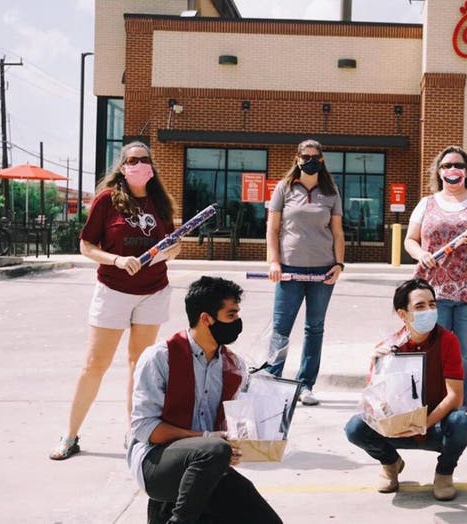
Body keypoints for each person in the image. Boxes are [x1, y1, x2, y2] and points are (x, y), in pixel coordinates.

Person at [51, 141, 179, 460]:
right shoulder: (107, 200)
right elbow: (86, 246)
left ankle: (134, 435)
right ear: (122, 167)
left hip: (153, 291)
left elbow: (173, 245)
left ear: (152, 167)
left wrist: (166, 253)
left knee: (139, 365)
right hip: (113, 291)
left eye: (144, 159)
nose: (139, 164)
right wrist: (116, 260)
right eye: (132, 160)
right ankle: (70, 435)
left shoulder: (160, 202)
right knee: (95, 364)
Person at [128, 276, 283, 523]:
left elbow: (228, 432)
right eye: (231, 315)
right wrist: (209, 441)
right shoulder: (160, 358)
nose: (237, 323)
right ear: (205, 318)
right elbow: (145, 428)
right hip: (156, 464)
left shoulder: (234, 365)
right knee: (213, 450)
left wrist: (245, 441)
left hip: (207, 466)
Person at [344, 278, 467, 501]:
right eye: (420, 306)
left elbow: (455, 396)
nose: (429, 311)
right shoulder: (389, 346)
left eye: (432, 304)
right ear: (403, 314)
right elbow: (373, 402)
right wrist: (377, 366)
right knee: (355, 427)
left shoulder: (447, 341)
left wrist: (424, 423)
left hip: (435, 426)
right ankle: (390, 463)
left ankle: (444, 472)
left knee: (461, 422)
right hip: (397, 429)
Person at [404, 145, 467, 408]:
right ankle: (433, 405)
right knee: (433, 350)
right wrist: (421, 254)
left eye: (458, 165)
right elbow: (410, 241)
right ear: (439, 172)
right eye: (447, 165)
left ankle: (459, 408)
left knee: (466, 354)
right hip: (434, 293)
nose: (452, 170)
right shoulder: (426, 204)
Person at [265, 139, 345, 406]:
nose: (310, 160)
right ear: (297, 158)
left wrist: (339, 264)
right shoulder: (284, 188)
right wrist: (274, 262)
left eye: (315, 156)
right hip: (289, 269)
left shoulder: (330, 191)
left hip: (323, 271)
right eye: (305, 156)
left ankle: (305, 385)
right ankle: (273, 380)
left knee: (315, 328)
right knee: (281, 328)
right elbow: (272, 229)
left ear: (321, 161)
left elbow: (337, 232)